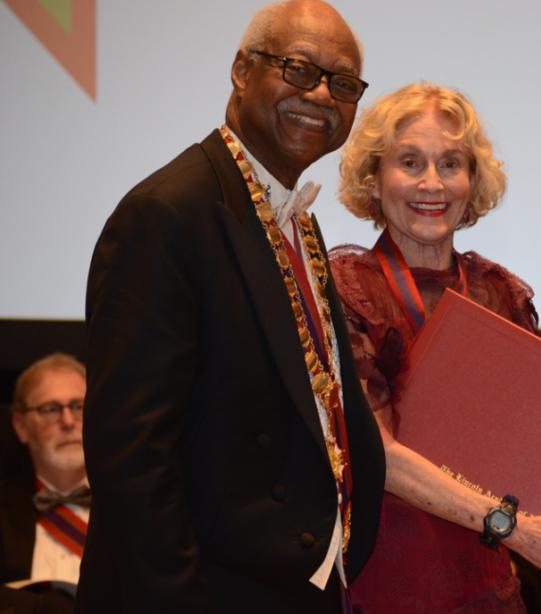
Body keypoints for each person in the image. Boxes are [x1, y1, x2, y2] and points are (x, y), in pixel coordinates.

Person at [78, 2, 385, 612]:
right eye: (298, 69)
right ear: (242, 70)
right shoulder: (167, 215)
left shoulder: (302, 222)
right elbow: (132, 461)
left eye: (343, 83)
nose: (321, 95)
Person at [331, 82, 541, 613]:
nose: (432, 183)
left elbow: (527, 444)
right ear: (375, 178)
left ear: (473, 181)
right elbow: (376, 453)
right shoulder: (346, 287)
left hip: (486, 577)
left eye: (451, 163)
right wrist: (516, 530)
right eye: (410, 162)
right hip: (386, 576)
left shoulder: (498, 293)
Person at [1, 354, 88, 613]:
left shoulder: (139, 505)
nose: (68, 422)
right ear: (21, 426)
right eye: (50, 409)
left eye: (79, 406)